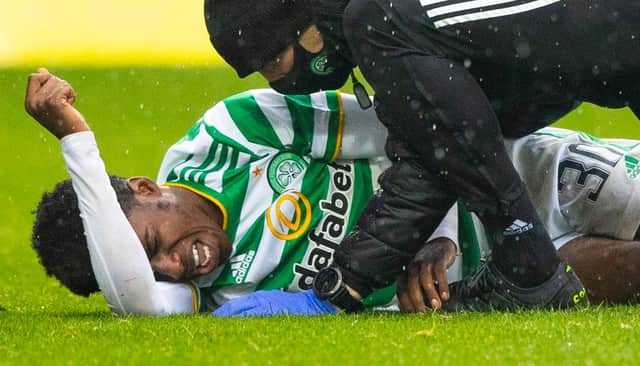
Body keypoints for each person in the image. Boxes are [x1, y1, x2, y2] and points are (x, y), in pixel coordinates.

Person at [27, 69, 640, 316]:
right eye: (152, 270)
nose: (171, 266)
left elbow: (421, 126)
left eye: (154, 242)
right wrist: (78, 142)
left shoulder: (231, 133)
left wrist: (439, 236)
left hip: (511, 173)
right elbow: (136, 300)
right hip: (495, 279)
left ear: (145, 187)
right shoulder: (207, 296)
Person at [204, 0, 640, 312]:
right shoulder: (403, 23)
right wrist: (344, 285)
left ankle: (530, 271)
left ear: (306, 24)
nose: (274, 80)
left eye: (270, 60)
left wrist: (527, 262)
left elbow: (448, 138)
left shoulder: (379, 19)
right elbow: (438, 147)